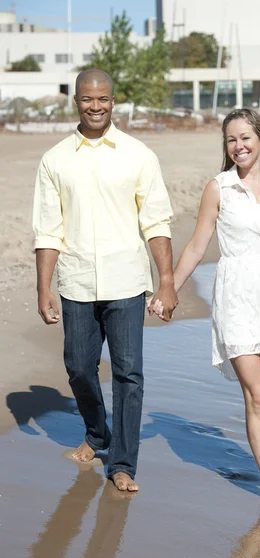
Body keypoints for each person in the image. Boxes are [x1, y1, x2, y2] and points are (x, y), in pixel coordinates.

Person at [151, 108, 260, 510]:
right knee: (257, 396)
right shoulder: (219, 189)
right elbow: (196, 245)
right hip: (238, 300)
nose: (238, 146)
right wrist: (167, 288)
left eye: (245, 138)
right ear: (226, 146)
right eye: (231, 140)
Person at [33, 68, 178, 492]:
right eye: (87, 99)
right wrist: (43, 286)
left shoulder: (138, 155)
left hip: (127, 281)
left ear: (113, 101)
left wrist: (166, 281)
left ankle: (123, 464)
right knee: (78, 368)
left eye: (103, 99)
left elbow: (156, 221)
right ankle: (97, 433)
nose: (95, 106)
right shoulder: (55, 159)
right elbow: (48, 229)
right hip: (76, 281)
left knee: (129, 374)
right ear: (75, 101)